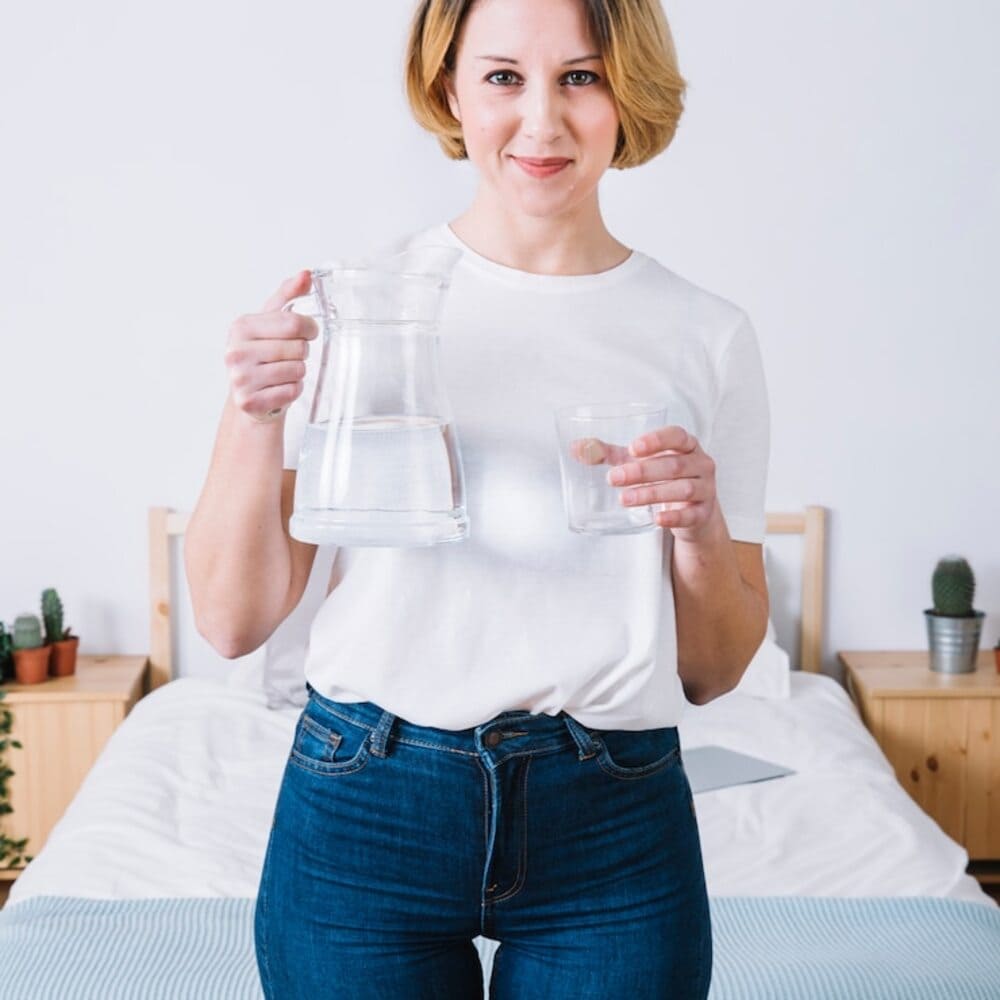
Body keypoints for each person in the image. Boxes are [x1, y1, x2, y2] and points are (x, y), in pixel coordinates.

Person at [185, 0, 770, 995]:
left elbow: (713, 668)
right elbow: (233, 621)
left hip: (614, 816)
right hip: (365, 801)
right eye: (503, 76)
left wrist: (697, 524)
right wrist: (253, 413)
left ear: (627, 92)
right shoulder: (357, 308)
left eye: (579, 77)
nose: (540, 122)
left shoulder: (702, 334)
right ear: (449, 86)